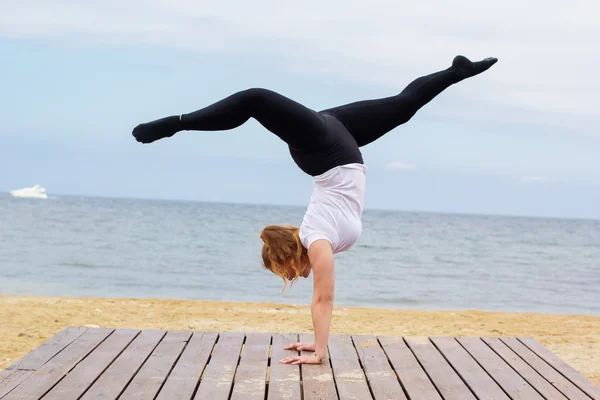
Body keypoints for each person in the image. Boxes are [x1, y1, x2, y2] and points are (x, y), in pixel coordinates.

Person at [132, 54, 498, 365]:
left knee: (255, 98)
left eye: (285, 272)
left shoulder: (317, 241)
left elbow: (323, 298)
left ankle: (176, 124)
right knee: (403, 108)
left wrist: (319, 352)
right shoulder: (319, 240)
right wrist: (315, 341)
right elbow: (321, 296)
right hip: (340, 138)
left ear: (290, 257)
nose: (292, 278)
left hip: (323, 148)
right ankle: (456, 71)